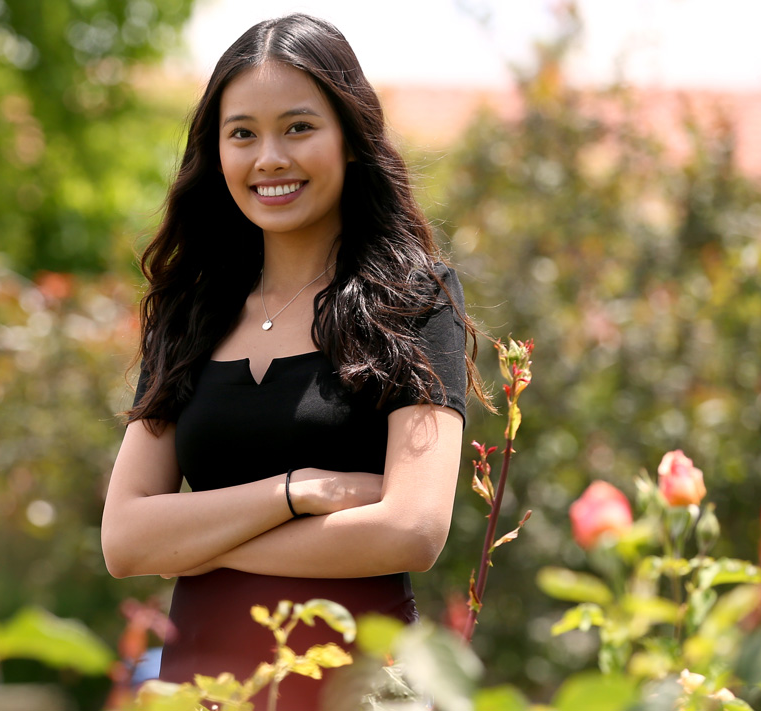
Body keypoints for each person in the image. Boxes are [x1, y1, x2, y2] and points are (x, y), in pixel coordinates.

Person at [100, 13, 494, 711]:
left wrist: (197, 541)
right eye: (243, 133)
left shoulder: (415, 300)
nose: (269, 158)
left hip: (354, 690)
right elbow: (126, 539)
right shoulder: (189, 312)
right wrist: (294, 491)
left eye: (299, 127)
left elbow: (413, 528)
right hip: (204, 690)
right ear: (215, 152)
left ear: (350, 138)